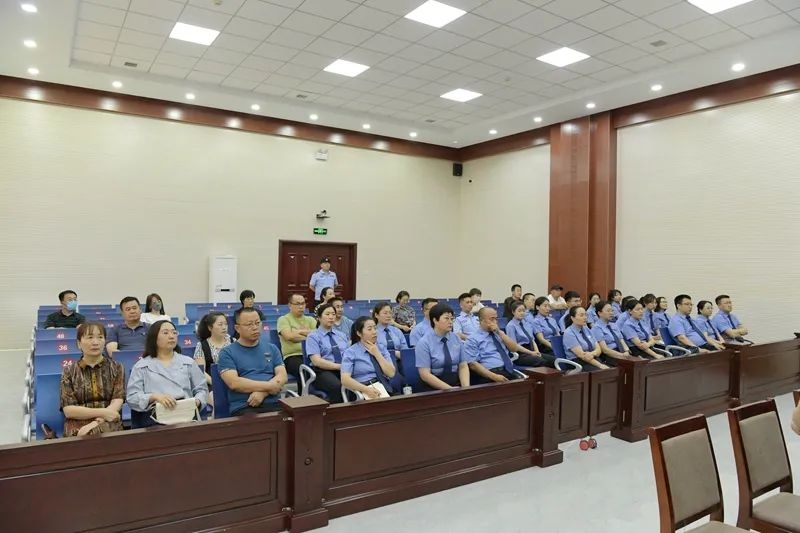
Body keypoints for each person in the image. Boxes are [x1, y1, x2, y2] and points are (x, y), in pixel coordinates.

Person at [127, 320, 208, 428]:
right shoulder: (141, 366)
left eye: (174, 332)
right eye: (165, 333)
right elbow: (132, 397)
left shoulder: (188, 362)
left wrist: (197, 401)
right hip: (154, 419)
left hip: (186, 416)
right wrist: (153, 397)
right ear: (154, 337)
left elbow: (202, 389)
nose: (171, 336)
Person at [59, 321, 124, 437]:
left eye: (100, 337)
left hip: (108, 422)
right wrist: (104, 413)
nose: (95, 342)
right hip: (77, 422)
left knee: (97, 433)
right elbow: (69, 410)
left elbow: (117, 400)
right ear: (79, 343)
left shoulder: (117, 367)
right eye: (90, 337)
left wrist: (96, 423)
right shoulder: (69, 371)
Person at [218, 307, 287, 414]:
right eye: (249, 324)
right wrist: (270, 387)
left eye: (257, 323)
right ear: (237, 328)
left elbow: (282, 376)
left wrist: (263, 393)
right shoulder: (227, 353)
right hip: (245, 405)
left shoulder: (272, 348)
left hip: (274, 402)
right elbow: (234, 383)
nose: (255, 327)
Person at [464, 307, 536, 383]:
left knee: (530, 382)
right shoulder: (472, 339)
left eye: (496, 319)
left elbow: (514, 348)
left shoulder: (499, 334)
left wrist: (499, 332)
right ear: (481, 320)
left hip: (509, 369)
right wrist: (494, 376)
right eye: (492, 319)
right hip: (490, 373)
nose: (495, 322)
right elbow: (473, 365)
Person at [414, 303, 470, 391]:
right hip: (434, 387)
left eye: (452, 319)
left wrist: (466, 388)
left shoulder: (456, 338)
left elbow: (463, 365)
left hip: (455, 383)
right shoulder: (424, 343)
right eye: (446, 318)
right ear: (435, 320)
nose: (450, 322)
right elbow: (425, 374)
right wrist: (450, 390)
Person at [340, 316, 396, 399]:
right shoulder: (351, 352)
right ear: (359, 333)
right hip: (362, 389)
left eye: (375, 328)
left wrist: (377, 354)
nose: (374, 332)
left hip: (383, 386)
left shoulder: (381, 348)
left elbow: (391, 373)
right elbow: (345, 379)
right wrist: (366, 390)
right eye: (369, 329)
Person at [305, 303, 348, 403]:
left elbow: (348, 354)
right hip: (323, 371)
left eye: (333, 314)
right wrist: (339, 367)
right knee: (337, 386)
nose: (331, 317)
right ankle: (336, 411)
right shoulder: (313, 336)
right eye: (327, 314)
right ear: (319, 318)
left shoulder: (341, 335)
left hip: (343, 368)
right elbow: (316, 361)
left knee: (359, 381)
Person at [277, 293, 317, 390]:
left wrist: (298, 332)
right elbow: (289, 336)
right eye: (297, 304)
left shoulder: (311, 320)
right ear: (290, 305)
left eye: (303, 303)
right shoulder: (284, 319)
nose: (301, 306)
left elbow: (318, 337)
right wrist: (309, 335)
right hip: (292, 356)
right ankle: (303, 396)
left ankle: (318, 395)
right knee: (304, 369)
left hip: (312, 355)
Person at [505, 301, 558, 368]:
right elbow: (515, 346)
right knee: (542, 361)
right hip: (521, 354)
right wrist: (531, 353)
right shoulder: (510, 326)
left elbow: (532, 340)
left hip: (532, 350)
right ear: (513, 312)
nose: (522, 313)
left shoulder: (526, 323)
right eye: (519, 311)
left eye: (523, 311)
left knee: (554, 360)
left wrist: (537, 352)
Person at [562, 307, 610, 371]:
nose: (585, 317)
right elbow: (582, 355)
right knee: (603, 372)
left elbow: (598, 349)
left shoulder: (586, 328)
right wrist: (600, 365)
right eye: (581, 315)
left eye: (585, 315)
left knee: (611, 370)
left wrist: (592, 354)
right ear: (572, 318)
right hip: (577, 363)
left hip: (593, 358)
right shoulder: (569, 333)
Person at [193, 312, 232, 389]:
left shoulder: (233, 342)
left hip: (234, 382)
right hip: (212, 384)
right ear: (210, 328)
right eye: (220, 324)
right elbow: (201, 371)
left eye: (226, 324)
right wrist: (216, 384)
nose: (224, 327)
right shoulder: (202, 345)